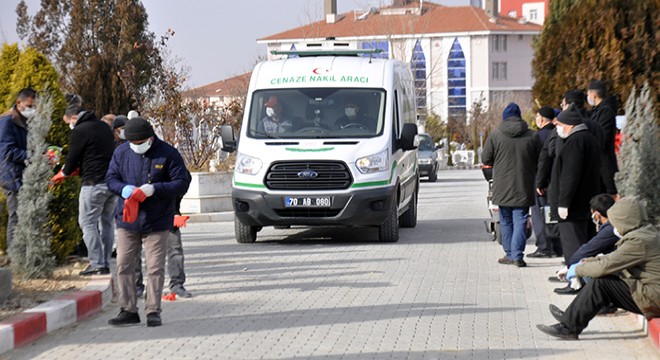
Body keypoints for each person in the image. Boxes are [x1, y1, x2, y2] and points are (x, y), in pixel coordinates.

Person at [106, 117, 191, 327]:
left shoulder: (168, 153)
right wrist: (123, 189)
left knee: (154, 267)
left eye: (140, 143)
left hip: (157, 221)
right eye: (132, 143)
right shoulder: (121, 152)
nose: (136, 147)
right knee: (124, 265)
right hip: (128, 220)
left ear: (150, 138)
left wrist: (156, 189)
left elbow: (182, 182)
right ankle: (128, 310)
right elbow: (110, 178)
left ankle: (153, 310)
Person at [537, 197, 660, 340]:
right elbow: (612, 258)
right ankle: (569, 318)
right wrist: (583, 263)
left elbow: (605, 266)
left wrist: (576, 270)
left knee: (601, 284)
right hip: (652, 292)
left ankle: (569, 326)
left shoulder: (638, 241)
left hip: (654, 298)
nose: (615, 227)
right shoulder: (646, 233)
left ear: (624, 219)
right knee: (603, 280)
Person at [51, 105, 116, 275]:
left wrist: (62, 173)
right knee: (107, 223)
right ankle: (105, 262)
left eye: (68, 123)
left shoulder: (80, 130)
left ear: (73, 117)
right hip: (111, 183)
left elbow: (73, 157)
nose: (69, 126)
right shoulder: (104, 127)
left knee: (87, 222)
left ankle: (96, 263)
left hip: (93, 183)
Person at [482, 103, 542, 267]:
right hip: (524, 184)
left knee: (505, 220)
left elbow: (485, 159)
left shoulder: (495, 135)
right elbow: (540, 158)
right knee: (521, 220)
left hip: (502, 186)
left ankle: (509, 254)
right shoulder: (532, 136)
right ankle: (517, 256)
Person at [548, 104, 601, 265]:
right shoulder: (590, 139)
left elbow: (570, 175)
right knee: (585, 243)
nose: (558, 129)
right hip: (587, 202)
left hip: (573, 206)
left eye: (560, 125)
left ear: (570, 125)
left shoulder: (574, 142)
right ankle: (582, 279)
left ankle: (576, 280)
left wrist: (563, 203)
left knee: (573, 244)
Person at [552, 194, 618, 295]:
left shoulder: (610, 229)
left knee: (587, 268)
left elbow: (588, 250)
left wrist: (570, 267)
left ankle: (603, 304)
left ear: (596, 214)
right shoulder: (615, 225)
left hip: (619, 272)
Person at [0, 88, 37, 250]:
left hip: (23, 173)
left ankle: (24, 252)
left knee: (24, 216)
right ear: (18, 103)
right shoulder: (7, 121)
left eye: (34, 106)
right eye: (29, 105)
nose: (32, 109)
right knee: (16, 215)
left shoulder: (25, 121)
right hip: (10, 175)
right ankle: (16, 256)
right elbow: (7, 151)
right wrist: (32, 156)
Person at [135, 196, 192, 298]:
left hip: (168, 214)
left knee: (175, 249)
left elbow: (178, 187)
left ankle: (177, 285)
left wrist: (175, 212)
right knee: (134, 250)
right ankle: (136, 286)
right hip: (141, 214)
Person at [528, 106, 562, 258]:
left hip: (541, 182)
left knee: (540, 215)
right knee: (554, 214)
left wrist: (538, 182)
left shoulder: (538, 136)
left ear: (541, 119)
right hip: (557, 181)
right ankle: (557, 246)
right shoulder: (558, 133)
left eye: (537, 117)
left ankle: (544, 247)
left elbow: (539, 161)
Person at [587, 80, 618, 197]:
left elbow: (602, 139)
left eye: (588, 94)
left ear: (593, 95)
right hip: (598, 166)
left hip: (604, 166)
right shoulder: (596, 111)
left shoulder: (605, 112)